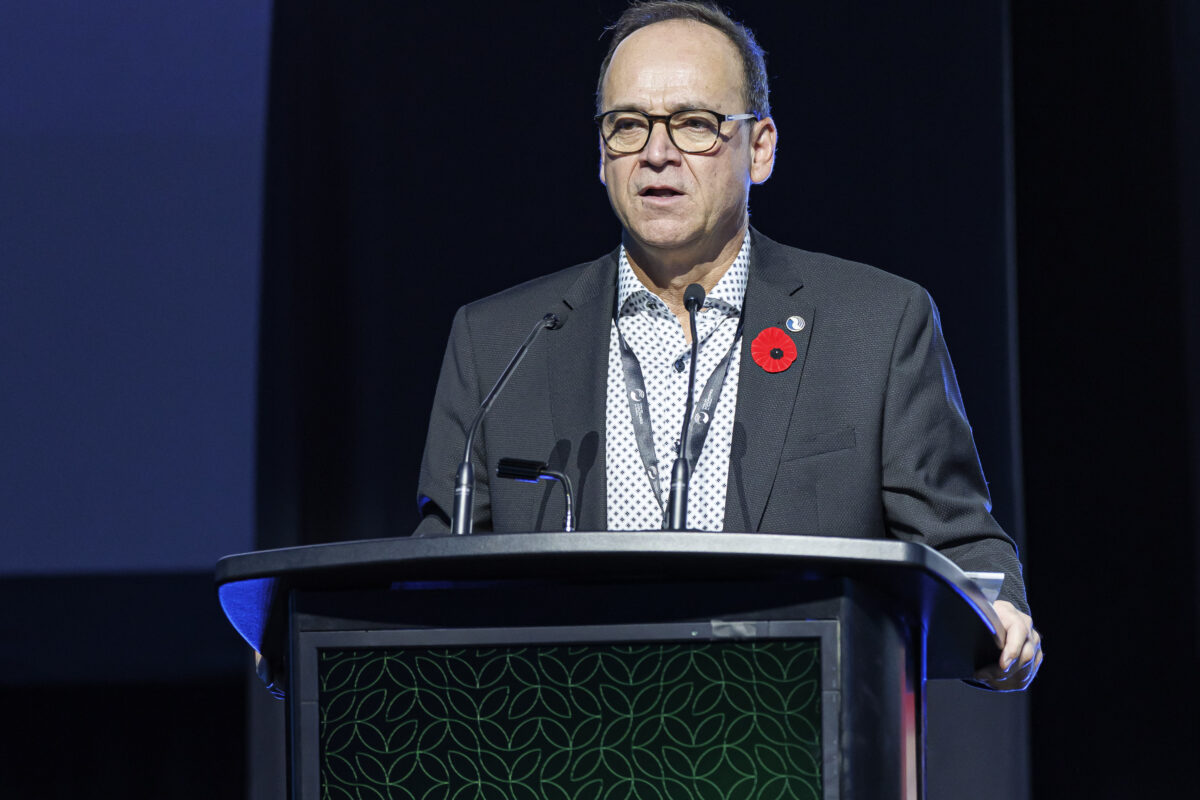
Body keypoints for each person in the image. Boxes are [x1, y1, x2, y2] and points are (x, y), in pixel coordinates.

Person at [415, 0, 1042, 691]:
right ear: (601, 154)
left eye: (693, 124)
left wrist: (1001, 619)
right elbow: (427, 575)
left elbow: (962, 548)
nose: (657, 152)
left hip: (794, 743)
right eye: (628, 126)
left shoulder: (877, 326)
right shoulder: (501, 342)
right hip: (567, 740)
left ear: (761, 147)